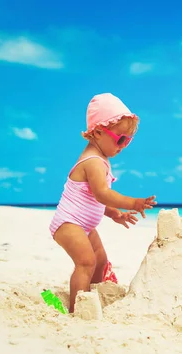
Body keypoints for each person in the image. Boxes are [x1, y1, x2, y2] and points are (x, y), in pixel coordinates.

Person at [49, 92, 157, 313]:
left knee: (100, 260)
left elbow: (91, 199)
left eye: (128, 140)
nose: (124, 146)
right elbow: (101, 193)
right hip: (69, 224)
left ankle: (93, 294)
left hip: (83, 225)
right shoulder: (93, 162)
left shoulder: (101, 160)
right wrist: (132, 203)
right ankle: (76, 309)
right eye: (120, 139)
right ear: (98, 132)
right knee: (86, 262)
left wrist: (114, 213)